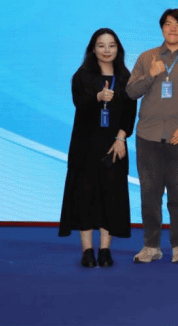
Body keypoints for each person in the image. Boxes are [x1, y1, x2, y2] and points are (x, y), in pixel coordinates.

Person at [126, 9, 178, 264]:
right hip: (148, 137)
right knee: (150, 196)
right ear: (162, 28)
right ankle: (151, 246)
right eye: (168, 24)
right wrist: (150, 75)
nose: (173, 29)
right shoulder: (146, 57)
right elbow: (131, 92)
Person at [59, 28, 137, 267]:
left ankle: (105, 249)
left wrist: (121, 138)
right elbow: (79, 104)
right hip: (85, 145)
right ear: (93, 49)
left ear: (118, 48)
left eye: (111, 45)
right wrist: (97, 97)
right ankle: (87, 250)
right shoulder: (82, 75)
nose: (106, 50)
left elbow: (130, 112)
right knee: (85, 195)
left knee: (110, 196)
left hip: (114, 145)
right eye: (101, 45)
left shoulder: (125, 76)